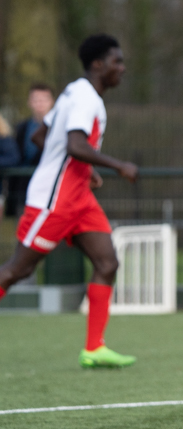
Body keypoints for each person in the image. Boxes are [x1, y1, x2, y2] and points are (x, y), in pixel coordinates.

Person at [0, 34, 139, 368]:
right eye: (116, 61)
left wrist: (83, 170)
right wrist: (119, 165)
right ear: (98, 64)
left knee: (107, 263)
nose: (122, 68)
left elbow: (41, 136)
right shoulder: (86, 98)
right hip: (54, 200)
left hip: (79, 199)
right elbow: (75, 145)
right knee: (18, 270)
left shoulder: (74, 92)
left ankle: (94, 348)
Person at [7, 83, 56, 217]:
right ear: (29, 102)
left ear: (52, 101)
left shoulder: (59, 128)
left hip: (50, 189)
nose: (40, 104)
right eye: (36, 100)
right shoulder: (21, 128)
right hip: (24, 189)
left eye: (43, 99)